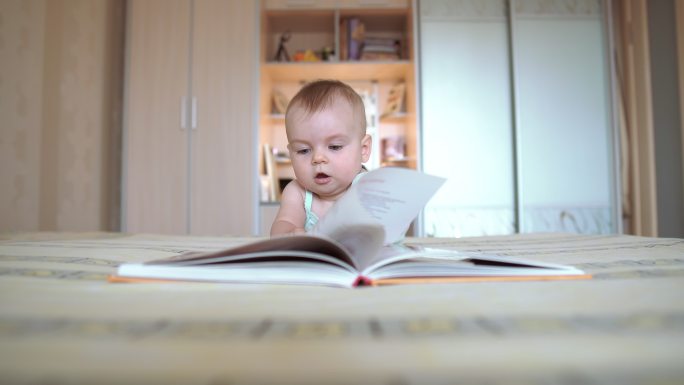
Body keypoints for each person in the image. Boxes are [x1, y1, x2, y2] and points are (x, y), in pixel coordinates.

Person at [271, 80, 371, 236]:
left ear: (363, 149)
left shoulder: (367, 187)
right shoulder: (297, 192)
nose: (318, 158)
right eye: (304, 150)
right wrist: (290, 235)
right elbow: (284, 223)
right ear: (291, 154)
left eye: (334, 147)